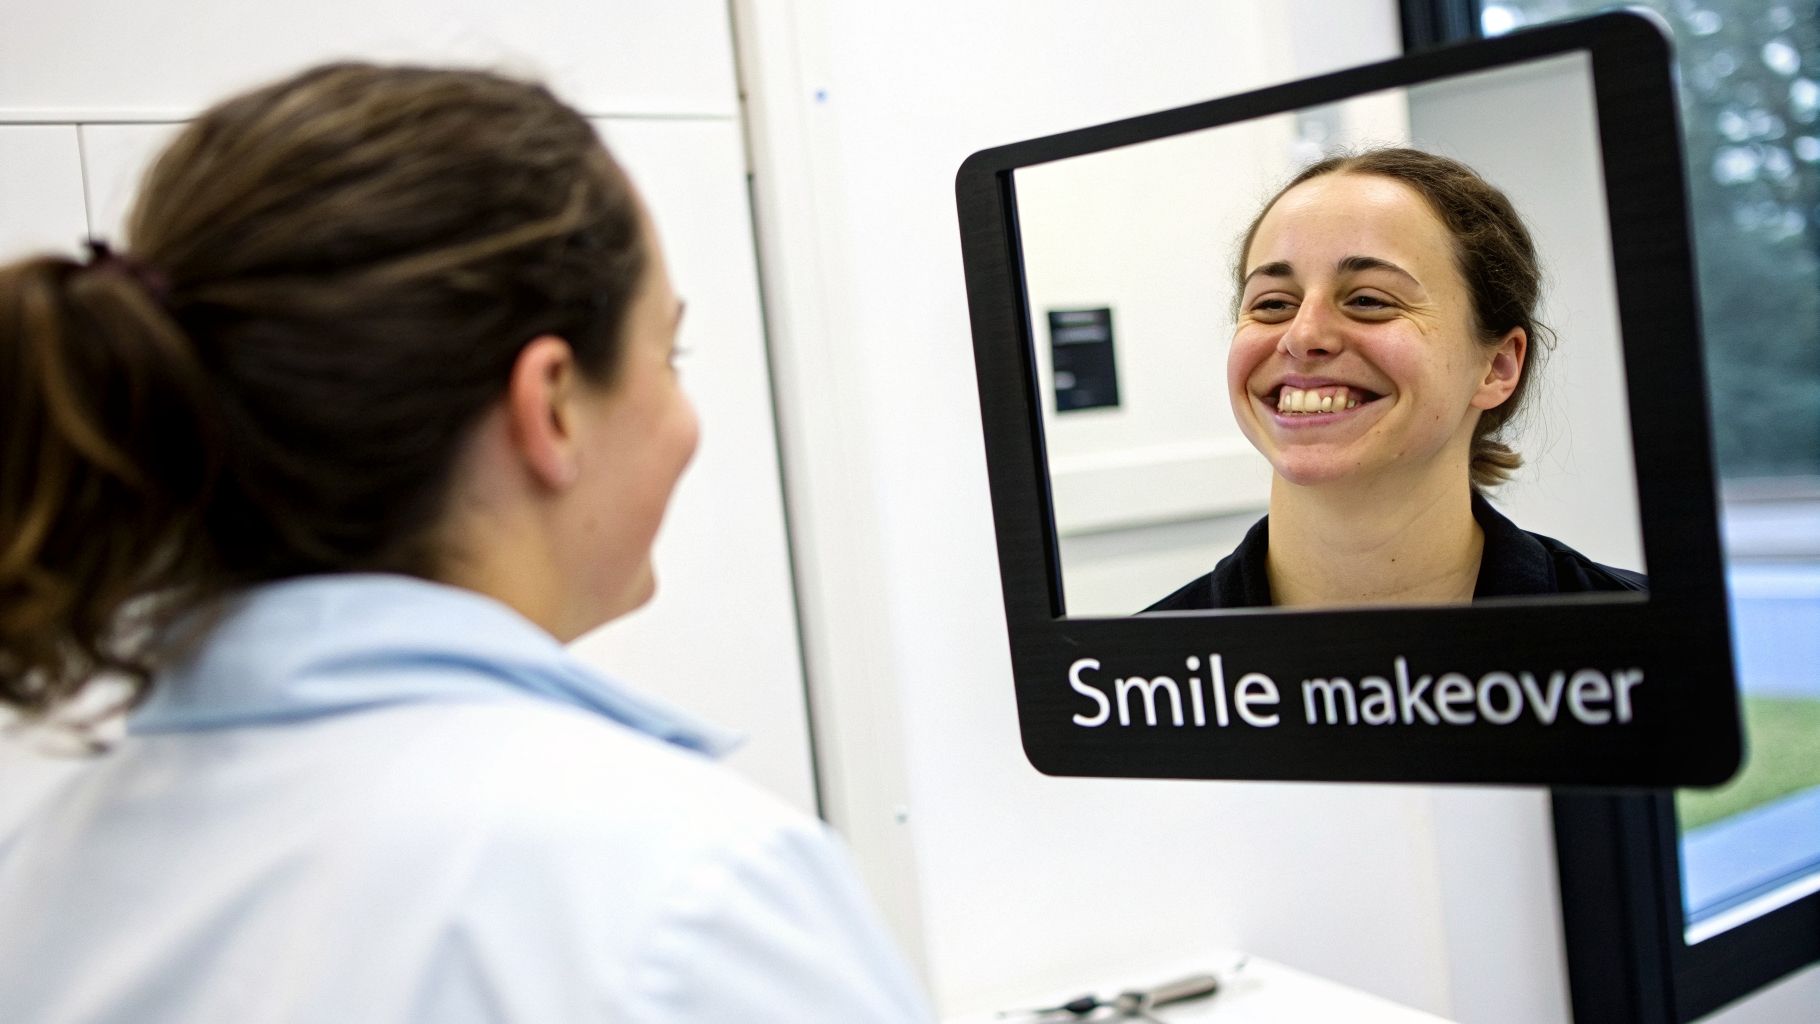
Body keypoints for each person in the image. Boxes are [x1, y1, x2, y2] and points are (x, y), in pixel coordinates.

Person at [0, 63, 931, 1022]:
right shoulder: (689, 895)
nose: (686, 416)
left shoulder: (39, 869)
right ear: (552, 405)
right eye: (669, 355)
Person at [1149, 147, 1643, 611]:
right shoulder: (1127, 677)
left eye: (1369, 300)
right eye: (1273, 303)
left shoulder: (1649, 647)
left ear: (1497, 367)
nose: (1302, 336)